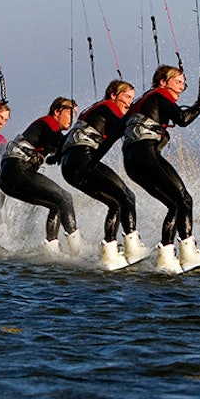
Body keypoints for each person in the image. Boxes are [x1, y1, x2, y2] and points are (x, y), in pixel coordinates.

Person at [121, 64, 200, 272]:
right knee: (184, 199)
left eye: (183, 85)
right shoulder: (160, 95)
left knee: (174, 204)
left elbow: (116, 132)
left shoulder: (140, 103)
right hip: (146, 154)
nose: (180, 88)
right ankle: (189, 253)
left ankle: (166, 257)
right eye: (177, 82)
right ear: (163, 82)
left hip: (131, 161)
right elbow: (183, 119)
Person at [60, 79, 148, 269]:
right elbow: (125, 130)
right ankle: (133, 247)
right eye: (126, 97)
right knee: (127, 196)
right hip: (84, 159)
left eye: (132, 99)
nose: (129, 102)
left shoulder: (90, 111)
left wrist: (56, 156)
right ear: (113, 95)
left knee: (115, 203)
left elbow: (69, 140)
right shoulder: (109, 106)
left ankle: (110, 252)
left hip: (70, 166)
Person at [0, 97, 82, 257]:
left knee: (56, 204)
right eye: (70, 113)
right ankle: (77, 250)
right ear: (57, 112)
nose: (73, 118)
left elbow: (61, 150)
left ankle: (51, 251)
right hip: (16, 170)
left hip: (8, 176)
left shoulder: (50, 131)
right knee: (65, 197)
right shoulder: (49, 122)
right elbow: (64, 144)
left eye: (75, 114)